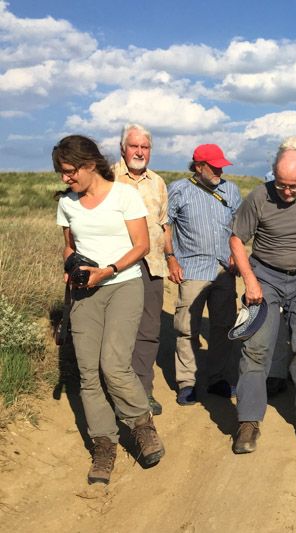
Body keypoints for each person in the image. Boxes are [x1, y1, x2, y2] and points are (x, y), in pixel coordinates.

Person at [54, 135, 165, 485]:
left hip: (122, 284)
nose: (65, 179)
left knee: (113, 365)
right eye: (61, 172)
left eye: (70, 171)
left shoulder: (124, 196)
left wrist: (109, 270)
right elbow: (68, 246)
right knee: (88, 372)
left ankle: (142, 426)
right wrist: (72, 267)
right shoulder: (68, 204)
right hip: (85, 293)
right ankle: (104, 445)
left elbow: (142, 245)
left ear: (89, 164)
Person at [230, 147, 296, 453]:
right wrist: (250, 280)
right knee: (255, 348)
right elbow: (237, 239)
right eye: (281, 184)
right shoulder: (259, 198)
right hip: (265, 276)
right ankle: (248, 422)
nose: (287, 191)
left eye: (293, 185)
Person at [167, 144, 242, 405]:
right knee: (187, 328)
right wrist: (171, 258)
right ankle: (187, 382)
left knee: (224, 326)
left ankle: (217, 377)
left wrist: (236, 255)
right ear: (199, 167)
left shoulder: (230, 190)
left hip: (224, 269)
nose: (219, 171)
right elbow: (166, 226)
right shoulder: (179, 189)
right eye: (214, 166)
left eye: (222, 165)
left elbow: (238, 227)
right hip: (192, 268)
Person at [111, 123, 171, 415]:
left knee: (148, 330)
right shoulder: (107, 177)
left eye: (144, 147)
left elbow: (163, 224)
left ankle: (143, 392)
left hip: (152, 265)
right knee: (118, 331)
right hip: (117, 266)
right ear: (122, 148)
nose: (139, 152)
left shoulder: (157, 182)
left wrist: (170, 257)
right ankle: (116, 393)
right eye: (134, 146)